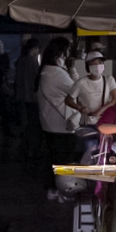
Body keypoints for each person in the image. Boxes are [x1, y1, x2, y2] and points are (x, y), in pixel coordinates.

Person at [38, 38, 78, 201]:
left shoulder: (47, 71)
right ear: (60, 54)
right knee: (63, 159)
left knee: (54, 157)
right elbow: (78, 88)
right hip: (62, 125)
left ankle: (53, 188)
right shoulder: (56, 74)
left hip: (50, 123)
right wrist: (73, 69)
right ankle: (62, 190)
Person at [66, 51, 116, 126]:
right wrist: (79, 108)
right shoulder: (81, 82)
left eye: (100, 63)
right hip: (87, 122)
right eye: (94, 64)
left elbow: (115, 98)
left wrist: (100, 110)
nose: (98, 66)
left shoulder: (109, 80)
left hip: (105, 121)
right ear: (88, 67)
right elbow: (68, 100)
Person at [15, 38, 42, 174]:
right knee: (32, 126)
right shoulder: (32, 61)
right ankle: (31, 150)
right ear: (35, 48)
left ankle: (25, 149)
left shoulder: (20, 60)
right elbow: (37, 80)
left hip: (21, 97)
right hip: (32, 98)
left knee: (25, 124)